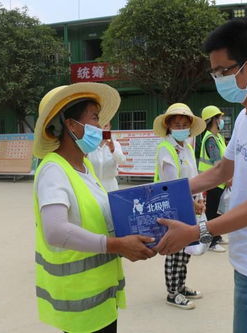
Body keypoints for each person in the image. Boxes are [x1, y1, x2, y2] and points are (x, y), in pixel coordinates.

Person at [154, 20, 247, 333]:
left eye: (223, 71)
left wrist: (196, 231)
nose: (218, 79)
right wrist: (165, 191)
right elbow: (222, 171)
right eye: (215, 73)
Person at [32, 82, 156, 333]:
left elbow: (101, 216)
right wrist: (116, 245)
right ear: (71, 124)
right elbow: (55, 231)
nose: (100, 127)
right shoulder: (54, 170)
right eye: (95, 118)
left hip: (101, 296)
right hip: (80, 303)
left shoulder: (85, 168)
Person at [153, 102, 207, 310]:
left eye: (185, 124)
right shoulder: (166, 149)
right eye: (177, 124)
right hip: (173, 207)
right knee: (174, 249)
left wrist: (200, 199)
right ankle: (172, 292)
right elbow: (171, 185)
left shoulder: (187, 148)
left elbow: (195, 177)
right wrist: (190, 203)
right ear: (168, 126)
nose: (181, 127)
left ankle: (181, 285)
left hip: (189, 206)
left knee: (185, 249)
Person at [198, 105, 230, 253]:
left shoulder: (218, 137)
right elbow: (217, 163)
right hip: (214, 181)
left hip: (219, 181)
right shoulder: (210, 139)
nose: (222, 120)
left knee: (218, 211)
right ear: (214, 120)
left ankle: (217, 236)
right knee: (212, 212)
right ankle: (211, 242)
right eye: (220, 117)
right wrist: (227, 177)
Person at [87, 122, 127, 192]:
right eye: (100, 127)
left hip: (110, 186)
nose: (103, 129)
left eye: (105, 126)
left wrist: (112, 149)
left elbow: (122, 161)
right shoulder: (89, 144)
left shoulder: (115, 144)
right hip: (92, 185)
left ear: (110, 127)